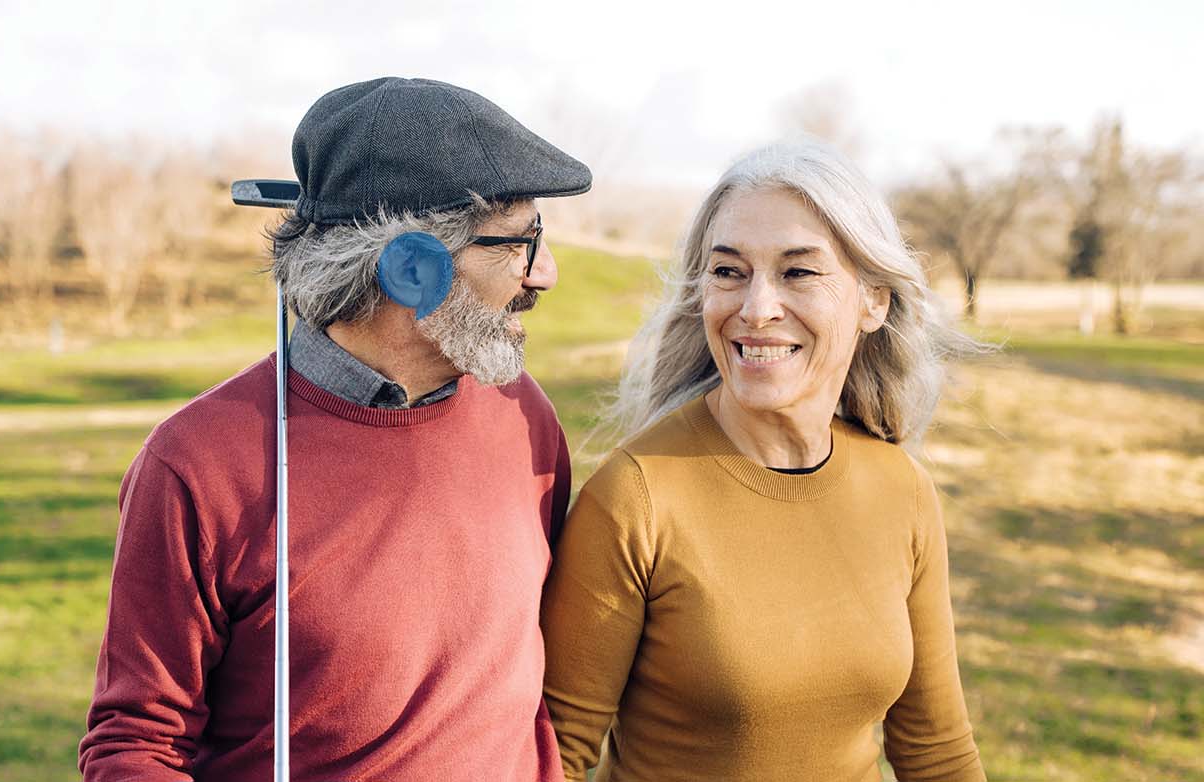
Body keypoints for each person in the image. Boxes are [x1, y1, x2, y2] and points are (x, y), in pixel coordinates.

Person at [79, 77, 594, 781]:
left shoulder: (524, 416)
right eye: (520, 243)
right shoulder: (198, 466)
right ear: (413, 269)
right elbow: (136, 745)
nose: (547, 273)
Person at [539, 141, 986, 781]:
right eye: (729, 272)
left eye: (798, 272)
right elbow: (558, 756)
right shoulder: (635, 498)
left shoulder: (902, 490)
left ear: (873, 302)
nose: (756, 308)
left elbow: (936, 754)